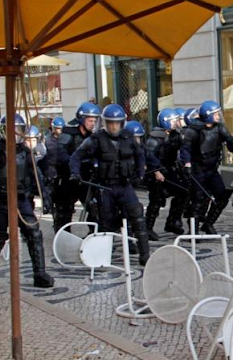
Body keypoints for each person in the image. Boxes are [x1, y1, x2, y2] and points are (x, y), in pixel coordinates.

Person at [70, 104, 150, 265]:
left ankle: (145, 255)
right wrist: (75, 173)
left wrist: (140, 174)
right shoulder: (96, 139)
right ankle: (103, 256)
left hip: (125, 185)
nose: (113, 126)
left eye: (116, 123)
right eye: (110, 123)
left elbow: (141, 155)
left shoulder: (129, 137)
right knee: (105, 222)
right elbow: (76, 156)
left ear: (122, 123)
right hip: (105, 187)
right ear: (105, 123)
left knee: (137, 215)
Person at [0, 114, 54, 287]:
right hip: (1, 200)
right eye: (11, 130)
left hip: (22, 200)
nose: (15, 133)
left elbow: (36, 175)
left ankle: (40, 273)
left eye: (19, 130)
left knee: (34, 233)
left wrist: (45, 196)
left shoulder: (25, 152)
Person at [179, 100, 233, 235]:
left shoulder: (220, 128)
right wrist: (187, 164)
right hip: (198, 170)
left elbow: (231, 142)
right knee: (198, 200)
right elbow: (185, 148)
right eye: (216, 114)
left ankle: (208, 224)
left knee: (222, 196)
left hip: (212, 170)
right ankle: (193, 231)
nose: (218, 116)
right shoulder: (193, 130)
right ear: (208, 115)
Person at [54, 102, 101, 231]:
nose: (93, 123)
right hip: (69, 177)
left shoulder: (94, 136)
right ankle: (62, 237)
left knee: (94, 207)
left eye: (94, 120)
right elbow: (61, 155)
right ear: (82, 119)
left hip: (86, 177)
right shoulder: (68, 134)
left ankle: (95, 235)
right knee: (64, 209)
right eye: (90, 120)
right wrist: (76, 164)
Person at [144, 109, 185, 240]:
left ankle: (172, 221)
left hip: (169, 170)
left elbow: (182, 148)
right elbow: (149, 157)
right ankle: (147, 228)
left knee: (182, 192)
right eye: (174, 120)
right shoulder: (154, 139)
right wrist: (156, 172)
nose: (176, 123)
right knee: (156, 201)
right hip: (155, 171)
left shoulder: (175, 135)